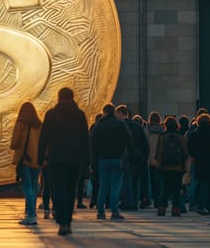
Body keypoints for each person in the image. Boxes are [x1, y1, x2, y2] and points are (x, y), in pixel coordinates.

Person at [38, 87, 89, 236]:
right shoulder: (79, 115)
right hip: (74, 158)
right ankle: (67, 221)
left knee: (59, 189)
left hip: (57, 158)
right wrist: (87, 163)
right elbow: (85, 141)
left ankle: (62, 223)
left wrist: (40, 157)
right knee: (70, 190)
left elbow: (44, 138)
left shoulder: (51, 114)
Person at [91, 103, 132, 221]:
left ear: (104, 112)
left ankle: (100, 212)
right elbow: (129, 141)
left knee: (103, 186)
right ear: (114, 112)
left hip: (103, 159)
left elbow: (93, 144)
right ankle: (114, 212)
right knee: (115, 186)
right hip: (117, 158)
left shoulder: (99, 126)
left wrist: (93, 161)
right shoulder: (121, 124)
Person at [11, 102, 43, 225]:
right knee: (34, 187)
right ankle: (32, 213)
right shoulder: (39, 125)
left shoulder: (21, 123)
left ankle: (30, 214)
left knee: (27, 187)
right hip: (37, 160)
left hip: (25, 159)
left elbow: (14, 142)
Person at [188, 114, 210, 215]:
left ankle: (201, 205)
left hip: (199, 162)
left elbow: (190, 147)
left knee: (202, 185)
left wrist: (194, 156)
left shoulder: (194, 134)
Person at [116, 105, 149, 211]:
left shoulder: (121, 125)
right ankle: (134, 203)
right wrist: (144, 157)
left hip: (127, 155)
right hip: (139, 156)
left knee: (127, 180)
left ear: (121, 113)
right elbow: (145, 143)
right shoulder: (137, 126)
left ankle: (128, 203)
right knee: (136, 181)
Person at [156, 116, 189, 216]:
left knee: (165, 189)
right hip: (178, 167)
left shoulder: (162, 137)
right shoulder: (181, 137)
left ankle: (162, 208)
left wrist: (159, 166)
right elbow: (185, 153)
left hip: (165, 167)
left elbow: (159, 153)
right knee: (176, 189)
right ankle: (176, 209)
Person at [146, 111, 164, 207]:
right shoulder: (162, 131)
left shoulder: (147, 131)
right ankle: (158, 201)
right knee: (159, 183)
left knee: (149, 182)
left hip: (149, 160)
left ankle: (148, 200)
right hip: (159, 161)